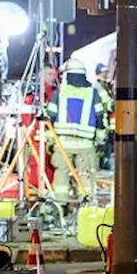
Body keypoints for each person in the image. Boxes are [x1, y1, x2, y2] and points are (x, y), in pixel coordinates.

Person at [45, 58, 107, 201]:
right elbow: (99, 116)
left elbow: (50, 115)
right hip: (85, 144)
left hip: (62, 144)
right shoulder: (92, 93)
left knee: (61, 175)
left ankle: (60, 206)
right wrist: (101, 135)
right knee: (85, 175)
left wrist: (49, 138)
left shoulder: (60, 92)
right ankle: (86, 207)